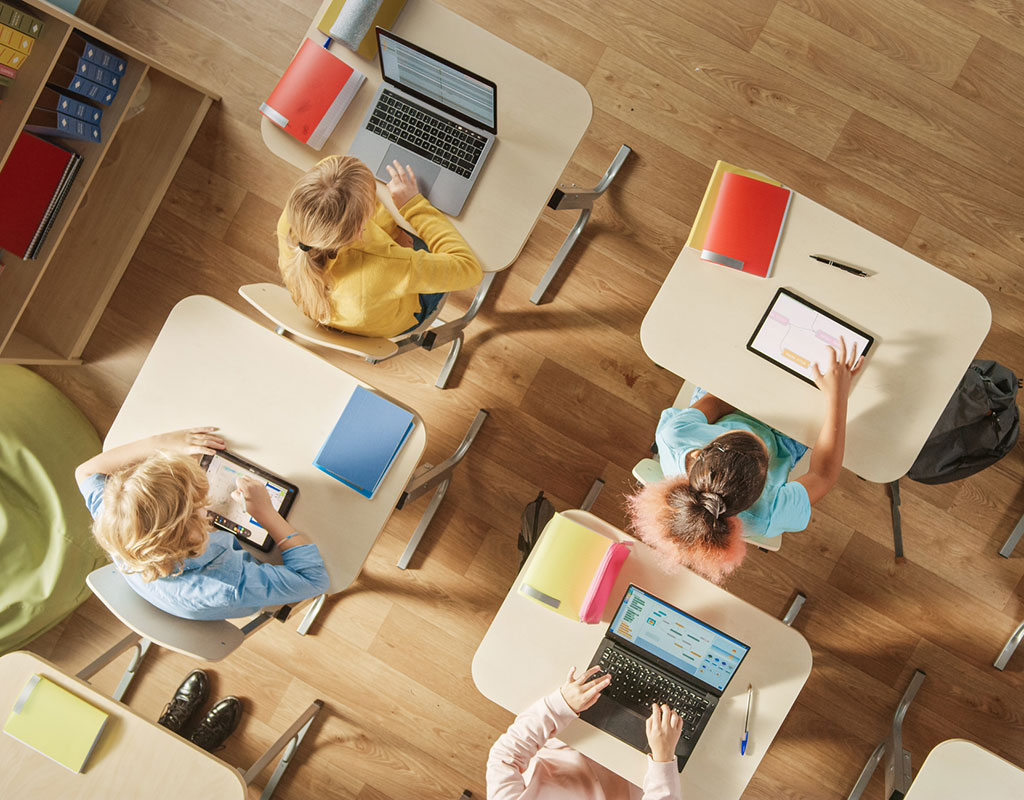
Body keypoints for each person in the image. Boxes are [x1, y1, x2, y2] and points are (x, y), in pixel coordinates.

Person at [627, 339, 864, 582]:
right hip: (783, 440)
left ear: (700, 453)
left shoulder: (675, 437)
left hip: (728, 404)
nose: (754, 435)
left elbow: (717, 402)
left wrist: (761, 377)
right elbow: (822, 475)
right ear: (761, 488)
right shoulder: (769, 515)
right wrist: (838, 396)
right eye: (762, 455)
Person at [75, 427, 329, 621]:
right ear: (196, 531)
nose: (205, 504)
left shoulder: (117, 516)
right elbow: (315, 579)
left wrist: (162, 443)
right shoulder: (229, 585)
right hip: (237, 590)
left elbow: (85, 472)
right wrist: (266, 515)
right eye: (199, 505)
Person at [276, 155, 483, 338]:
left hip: (341, 309)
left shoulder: (294, 219)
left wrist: (393, 234)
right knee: (465, 229)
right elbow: (468, 269)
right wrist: (413, 205)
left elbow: (327, 167)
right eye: (370, 201)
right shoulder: (387, 266)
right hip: (405, 311)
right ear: (359, 231)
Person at [487, 666, 683, 800]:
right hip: (637, 766)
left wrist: (560, 705)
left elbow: (504, 758)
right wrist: (663, 759)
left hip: (574, 732)